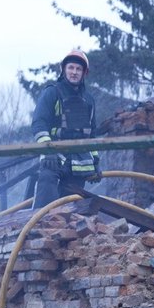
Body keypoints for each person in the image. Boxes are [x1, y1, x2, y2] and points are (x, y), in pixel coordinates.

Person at [31, 49, 101, 208]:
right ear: (64, 70)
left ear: (84, 73)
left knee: (71, 208)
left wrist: (96, 161)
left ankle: (65, 230)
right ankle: (37, 226)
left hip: (79, 161)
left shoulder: (89, 100)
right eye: (71, 68)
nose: (74, 72)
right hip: (55, 156)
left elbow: (92, 134)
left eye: (78, 69)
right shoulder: (52, 93)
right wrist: (49, 150)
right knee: (47, 195)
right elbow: (39, 123)